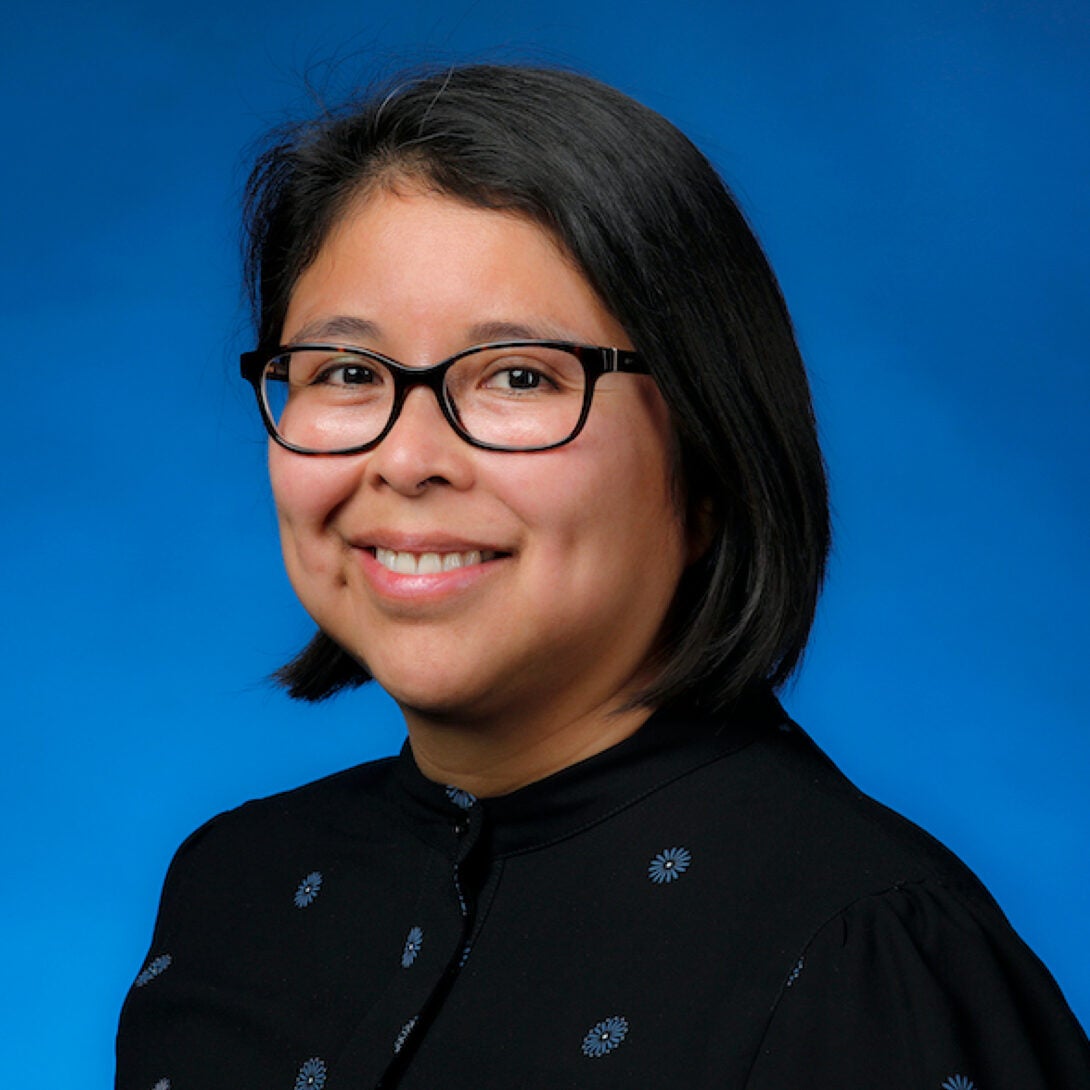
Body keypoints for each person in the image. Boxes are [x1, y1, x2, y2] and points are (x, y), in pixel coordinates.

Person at [114, 64, 1089, 1089]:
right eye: (346, 373)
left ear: (709, 458)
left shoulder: (862, 953)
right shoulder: (235, 888)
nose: (405, 460)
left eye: (519, 376)